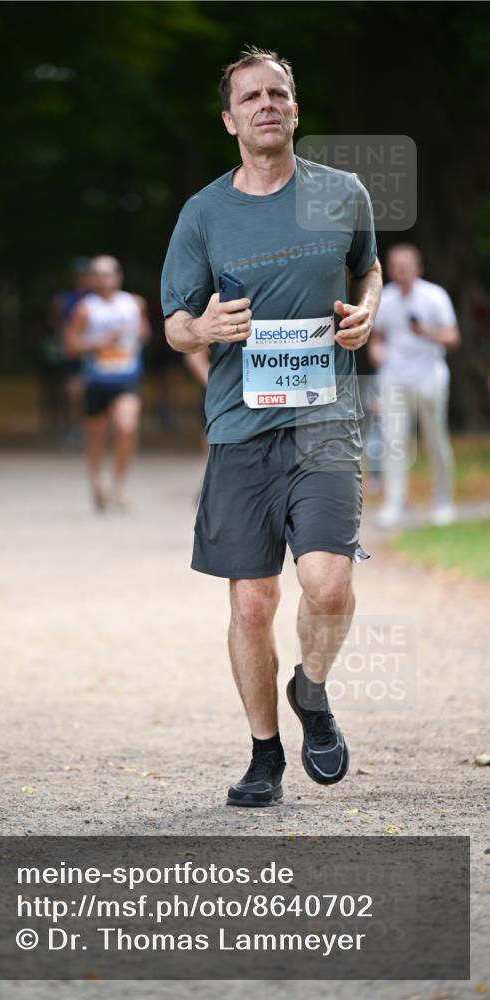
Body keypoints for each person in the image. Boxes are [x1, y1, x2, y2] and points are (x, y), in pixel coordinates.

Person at [161, 46, 382, 807]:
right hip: (239, 427)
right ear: (229, 120)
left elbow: (368, 270)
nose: (266, 104)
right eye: (250, 96)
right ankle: (263, 755)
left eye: (278, 93)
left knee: (326, 585)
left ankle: (310, 691)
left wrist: (367, 312)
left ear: (294, 109)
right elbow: (173, 326)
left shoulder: (342, 194)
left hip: (324, 419)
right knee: (252, 602)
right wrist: (205, 328)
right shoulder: (203, 212)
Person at [369, 244, 461, 529]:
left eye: (406, 264)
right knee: (394, 444)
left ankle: (443, 501)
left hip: (429, 379)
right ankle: (394, 504)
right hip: (394, 380)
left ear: (418, 267)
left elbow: (452, 337)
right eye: (395, 264)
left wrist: (427, 333)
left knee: (436, 441)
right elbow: (377, 338)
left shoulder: (434, 296)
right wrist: (378, 356)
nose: (401, 269)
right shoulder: (385, 299)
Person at [64, 255, 150, 511]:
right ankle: (96, 485)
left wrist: (135, 337)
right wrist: (99, 344)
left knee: (127, 427)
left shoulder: (134, 303)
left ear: (119, 276)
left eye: (109, 273)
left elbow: (144, 333)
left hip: (126, 379)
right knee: (96, 438)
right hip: (97, 381)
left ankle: (119, 486)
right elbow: (70, 345)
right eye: (98, 274)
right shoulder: (84, 309)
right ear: (91, 279)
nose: (104, 278)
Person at [42, 257, 91, 444]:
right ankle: (74, 427)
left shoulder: (97, 299)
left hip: (93, 353)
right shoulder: (62, 299)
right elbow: (56, 323)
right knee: (72, 391)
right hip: (72, 352)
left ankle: (85, 427)